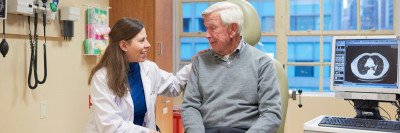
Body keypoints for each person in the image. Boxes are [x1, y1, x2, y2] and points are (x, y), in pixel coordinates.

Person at [181, 1, 282, 133]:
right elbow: (190, 107)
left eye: (213, 28)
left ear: (232, 29)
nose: (207, 35)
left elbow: (271, 113)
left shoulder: (262, 63)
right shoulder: (200, 61)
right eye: (206, 28)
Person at [86, 18, 191, 133]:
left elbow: (173, 86)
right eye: (142, 41)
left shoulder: (149, 69)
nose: (148, 44)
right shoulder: (102, 77)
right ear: (124, 45)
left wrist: (196, 64)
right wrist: (149, 132)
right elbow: (110, 126)